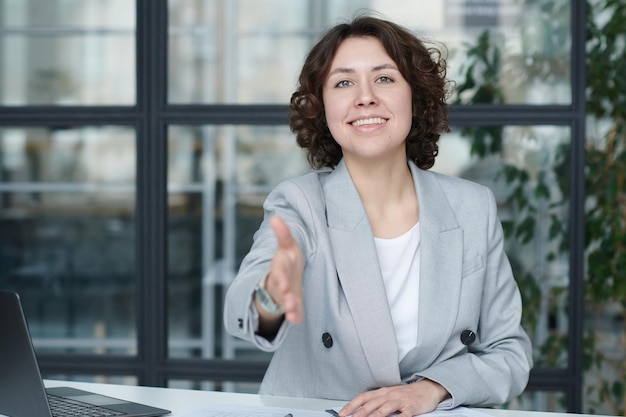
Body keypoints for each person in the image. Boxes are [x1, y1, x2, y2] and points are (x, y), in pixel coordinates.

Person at [223, 14, 533, 417]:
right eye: (343, 82)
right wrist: (272, 292)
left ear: (416, 98)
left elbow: (509, 354)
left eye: (384, 78)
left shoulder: (471, 207)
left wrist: (433, 389)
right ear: (322, 109)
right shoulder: (299, 202)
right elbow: (252, 307)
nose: (365, 97)